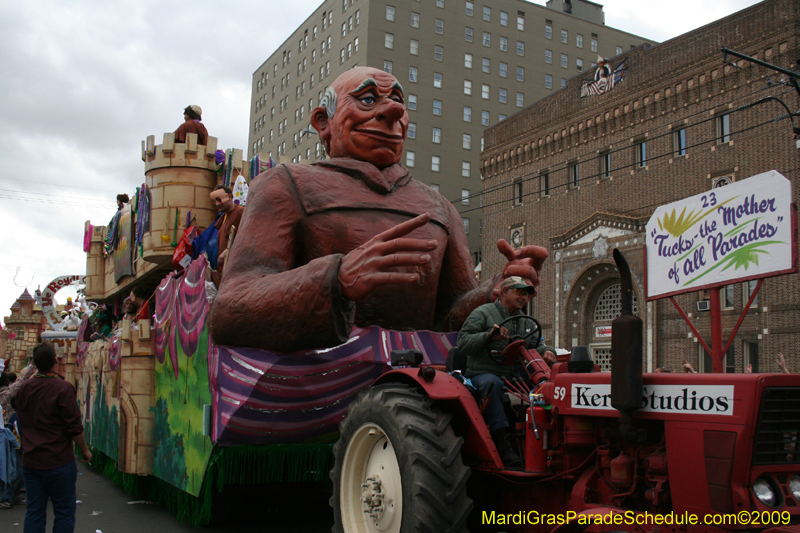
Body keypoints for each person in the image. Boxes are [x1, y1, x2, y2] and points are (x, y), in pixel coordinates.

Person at [211, 66, 548, 352]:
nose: (394, 112)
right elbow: (230, 310)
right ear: (322, 122)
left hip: (416, 391)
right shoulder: (284, 184)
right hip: (311, 391)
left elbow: (448, 319)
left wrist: (495, 291)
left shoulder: (440, 208)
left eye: (399, 101)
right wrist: (335, 279)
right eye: (368, 99)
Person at [457, 276, 556, 468]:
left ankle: (544, 440)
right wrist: (488, 337)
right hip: (481, 373)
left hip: (514, 375)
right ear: (504, 292)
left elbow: (537, 345)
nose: (524, 297)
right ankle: (502, 444)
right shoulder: (483, 313)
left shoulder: (526, 322)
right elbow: (463, 343)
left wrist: (549, 352)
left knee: (545, 388)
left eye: (527, 294)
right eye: (519, 292)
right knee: (492, 385)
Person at [14, 342, 92, 532]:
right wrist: (84, 450)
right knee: (64, 511)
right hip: (58, 461)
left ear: (34, 363)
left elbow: (17, 411)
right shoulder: (63, 388)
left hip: (31, 461)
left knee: (34, 511)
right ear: (56, 361)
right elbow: (74, 426)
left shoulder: (25, 388)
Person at [209, 184, 245, 279]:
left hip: (235, 270)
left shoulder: (240, 212)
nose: (217, 204)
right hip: (224, 270)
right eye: (214, 201)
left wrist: (226, 253)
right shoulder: (223, 217)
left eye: (219, 199)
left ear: (229, 196)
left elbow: (246, 237)